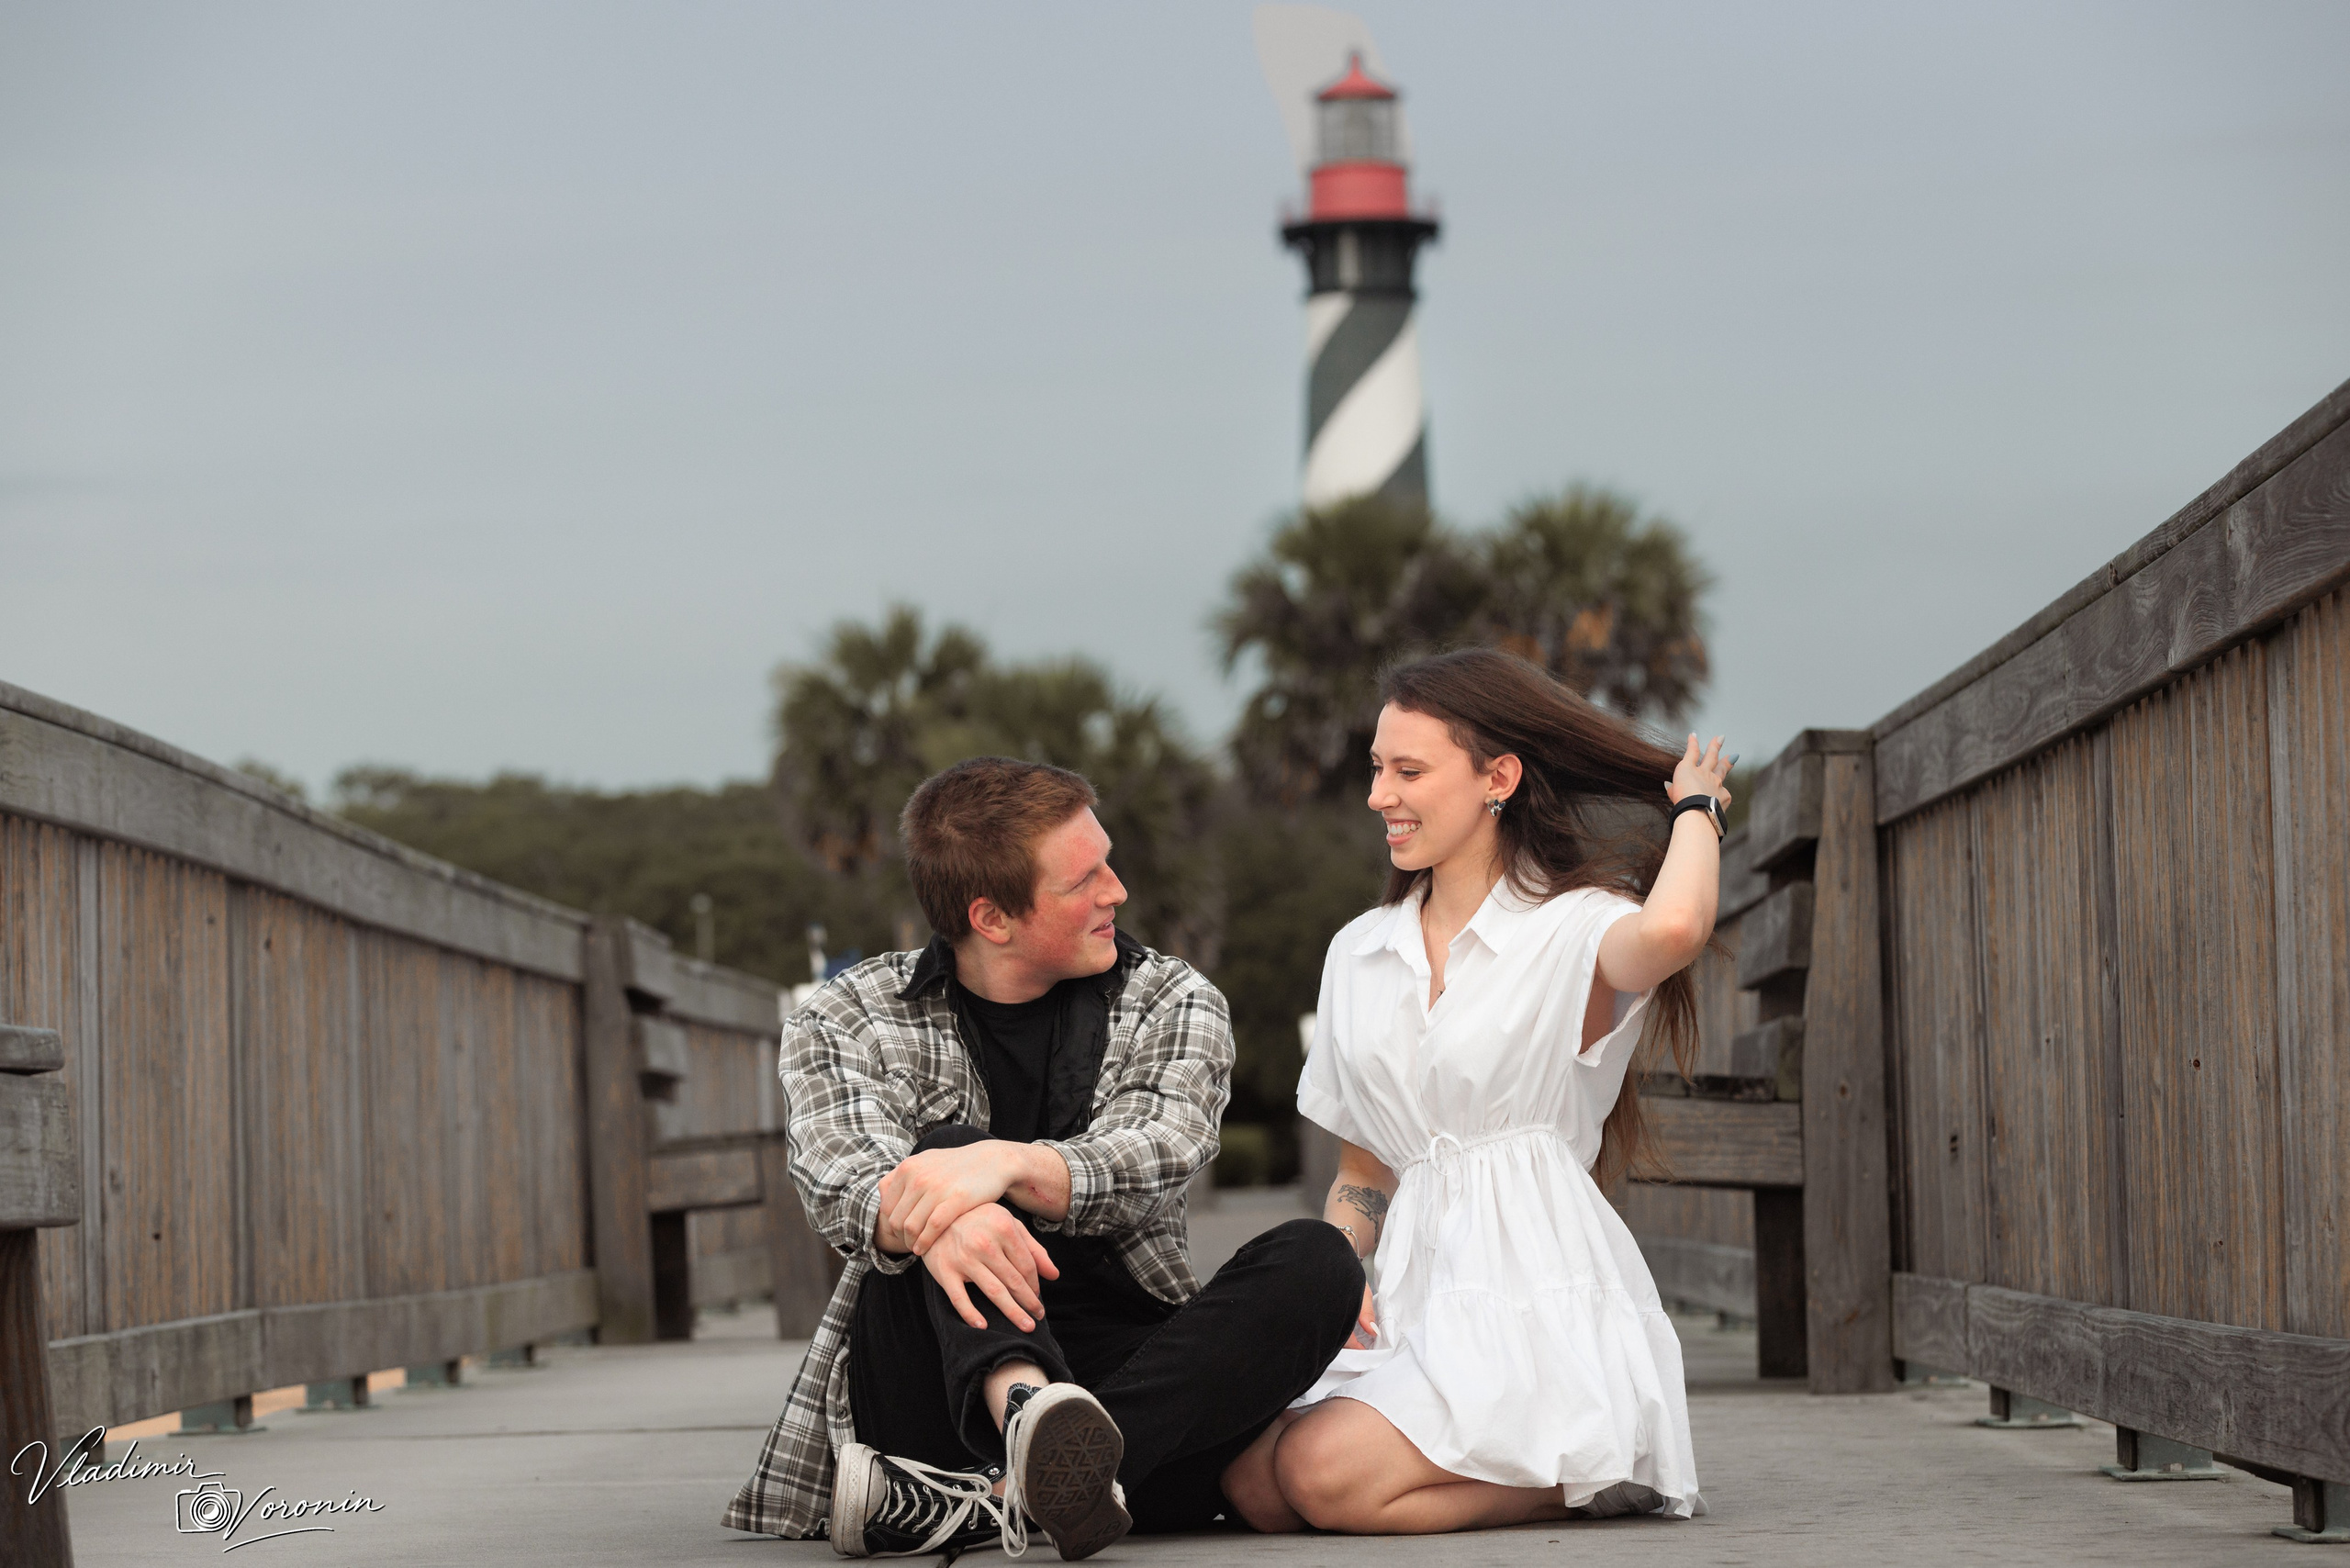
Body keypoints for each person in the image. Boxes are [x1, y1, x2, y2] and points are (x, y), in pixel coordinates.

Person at [722, 756, 1361, 1560]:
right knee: (939, 1159)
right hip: (927, 1389)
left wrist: (1007, 1168)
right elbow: (840, 1181)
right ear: (993, 919)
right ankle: (1026, 1415)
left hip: (1126, 1380)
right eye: (1084, 880)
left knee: (1320, 1260)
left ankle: (1006, 1495)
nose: (1116, 891)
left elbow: (1160, 1150)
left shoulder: (1170, 997)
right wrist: (952, 1195)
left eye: (1109, 862)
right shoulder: (849, 1014)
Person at [1265, 646, 1732, 1534]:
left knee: (1321, 1476)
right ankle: (1589, 1461)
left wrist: (1698, 810)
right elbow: (1364, 1170)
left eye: (1408, 771)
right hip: (1415, 1295)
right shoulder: (1358, 953)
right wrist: (1335, 1274)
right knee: (1256, 1483)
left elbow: (1675, 927)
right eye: (1376, 770)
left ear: (1498, 778)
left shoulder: (1570, 931)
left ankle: (1600, 1461)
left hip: (1532, 1296)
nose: (1379, 796)